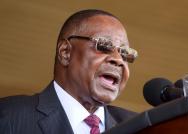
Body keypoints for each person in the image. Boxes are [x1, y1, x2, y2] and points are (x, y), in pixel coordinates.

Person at [0, 9, 138, 134]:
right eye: (104, 45)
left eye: (125, 53)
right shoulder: (9, 116)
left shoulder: (139, 127)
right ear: (65, 52)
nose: (118, 60)